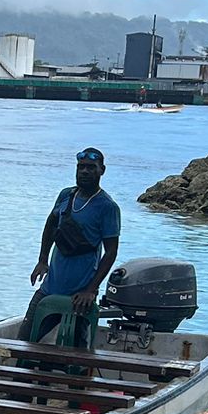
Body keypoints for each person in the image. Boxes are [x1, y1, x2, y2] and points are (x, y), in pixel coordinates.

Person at [25, 146, 123, 347]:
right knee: (25, 340)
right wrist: (42, 260)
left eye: (91, 167)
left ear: (102, 170)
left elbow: (111, 252)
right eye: (81, 167)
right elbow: (51, 224)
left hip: (80, 294)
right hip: (50, 288)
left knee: (75, 351)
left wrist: (91, 290)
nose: (85, 171)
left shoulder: (107, 207)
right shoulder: (66, 195)